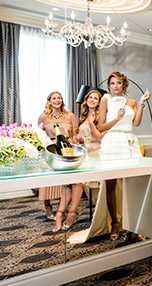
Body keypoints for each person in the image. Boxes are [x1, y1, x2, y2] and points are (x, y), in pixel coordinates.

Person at [97, 71, 151, 240]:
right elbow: (101, 127)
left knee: (134, 183)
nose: (115, 86)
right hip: (112, 141)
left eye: (118, 83)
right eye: (112, 83)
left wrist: (142, 104)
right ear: (109, 86)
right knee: (111, 184)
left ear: (124, 85)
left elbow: (136, 123)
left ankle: (135, 224)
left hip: (129, 142)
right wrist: (118, 119)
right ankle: (115, 222)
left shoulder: (132, 102)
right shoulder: (105, 100)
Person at [52, 90, 105, 232]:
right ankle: (60, 213)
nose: (92, 100)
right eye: (90, 98)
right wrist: (78, 139)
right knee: (69, 181)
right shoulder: (84, 116)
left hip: (96, 155)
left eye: (96, 98)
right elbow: (84, 137)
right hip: (84, 153)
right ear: (86, 100)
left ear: (99, 102)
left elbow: (100, 138)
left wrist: (90, 125)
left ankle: (71, 213)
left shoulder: (101, 117)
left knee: (76, 181)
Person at [38, 91, 78, 222]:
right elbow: (39, 135)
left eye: (59, 98)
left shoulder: (70, 115)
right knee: (47, 181)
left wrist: (73, 140)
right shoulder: (43, 117)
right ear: (49, 101)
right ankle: (48, 206)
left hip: (66, 148)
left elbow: (75, 134)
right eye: (54, 98)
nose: (57, 100)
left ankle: (64, 208)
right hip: (50, 148)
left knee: (66, 181)